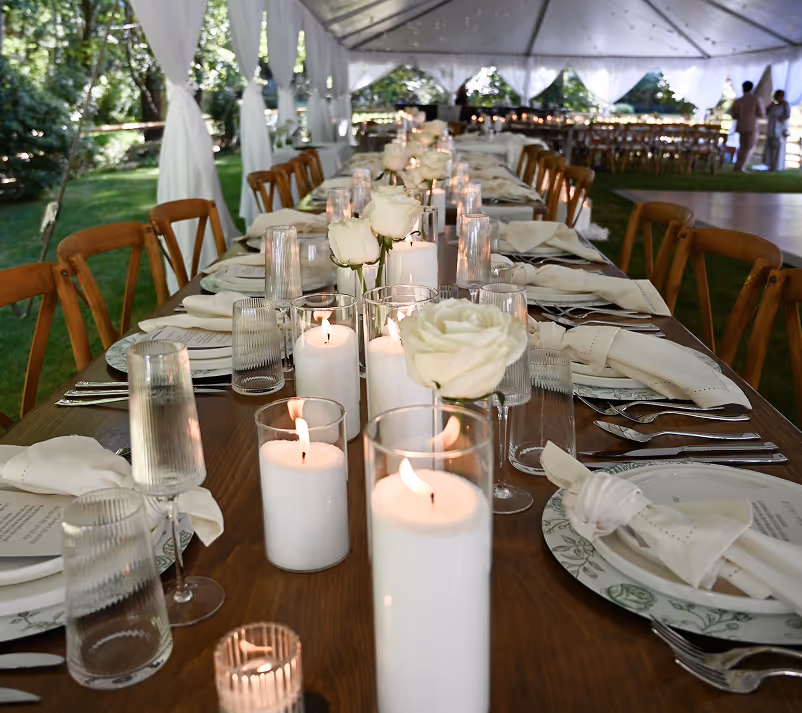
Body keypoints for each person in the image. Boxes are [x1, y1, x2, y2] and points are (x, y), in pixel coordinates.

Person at [730, 80, 766, 172]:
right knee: (749, 147)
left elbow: (733, 114)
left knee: (742, 147)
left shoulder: (739, 100)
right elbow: (761, 113)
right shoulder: (756, 99)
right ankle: (741, 166)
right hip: (752, 126)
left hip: (741, 125)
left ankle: (738, 165)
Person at [763, 89, 792, 171]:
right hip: (771, 128)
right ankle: (769, 164)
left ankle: (776, 165)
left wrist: (781, 119)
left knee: (778, 146)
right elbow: (766, 112)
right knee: (770, 146)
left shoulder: (785, 105)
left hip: (780, 128)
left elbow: (787, 115)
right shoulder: (773, 105)